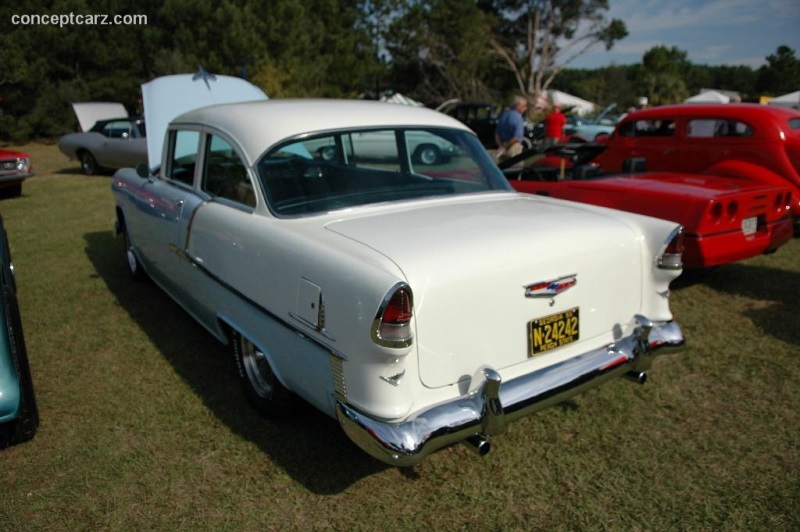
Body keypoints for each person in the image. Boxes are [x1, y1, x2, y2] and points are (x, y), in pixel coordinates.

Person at [494, 95, 528, 162]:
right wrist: (506, 147)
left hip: (502, 146)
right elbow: (516, 138)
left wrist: (501, 146)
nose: (525, 108)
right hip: (513, 148)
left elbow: (497, 134)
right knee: (515, 169)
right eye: (524, 106)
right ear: (518, 106)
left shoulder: (504, 116)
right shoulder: (518, 118)